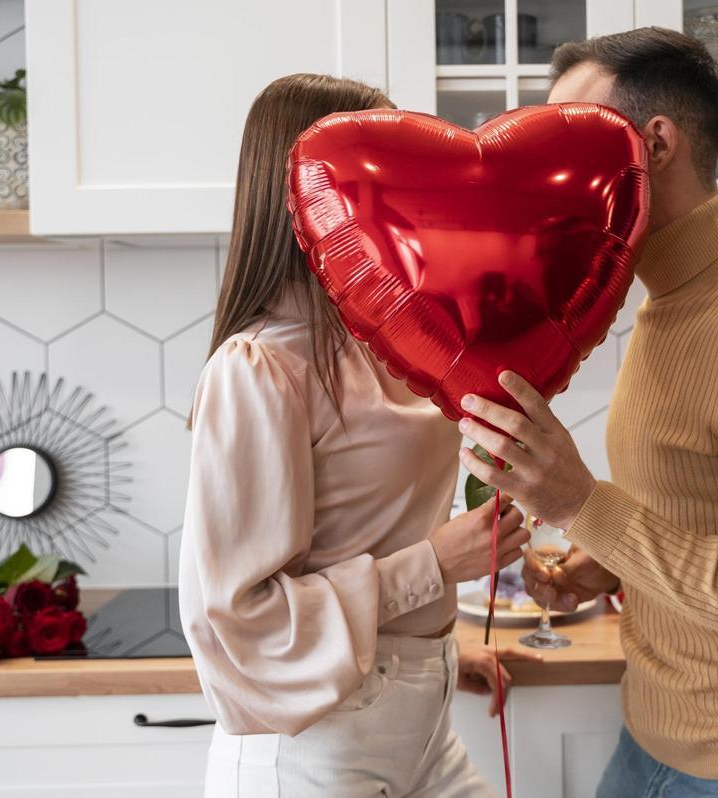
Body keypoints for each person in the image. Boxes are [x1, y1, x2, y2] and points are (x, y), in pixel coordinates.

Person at [457, 28, 718, 798]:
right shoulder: (665, 301)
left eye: (570, 138)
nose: (545, 173)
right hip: (651, 741)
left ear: (654, 144)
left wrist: (583, 503)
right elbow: (702, 511)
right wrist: (606, 561)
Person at [178, 73, 536, 798]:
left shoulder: (388, 338)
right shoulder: (261, 367)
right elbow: (238, 616)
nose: (407, 189)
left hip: (417, 723)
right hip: (315, 747)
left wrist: (429, 653)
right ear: (309, 185)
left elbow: (358, 532)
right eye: (381, 165)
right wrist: (435, 567)